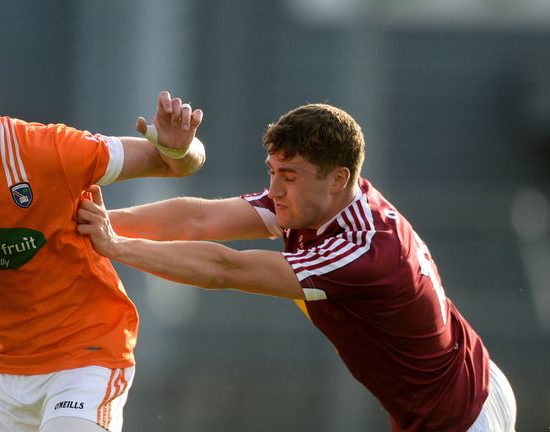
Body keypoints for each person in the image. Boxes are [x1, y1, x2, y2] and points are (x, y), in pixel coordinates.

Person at [77, 103, 517, 431]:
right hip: (471, 376)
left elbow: (225, 269)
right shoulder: (323, 203)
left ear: (338, 178)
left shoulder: (362, 253)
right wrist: (91, 222)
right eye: (272, 171)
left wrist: (115, 245)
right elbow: (199, 218)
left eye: (289, 176)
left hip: (457, 417)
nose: (274, 190)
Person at [0, 23, 205, 432]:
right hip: (1, 372)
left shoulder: (47, 151)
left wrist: (181, 145)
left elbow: (175, 163)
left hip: (88, 352)